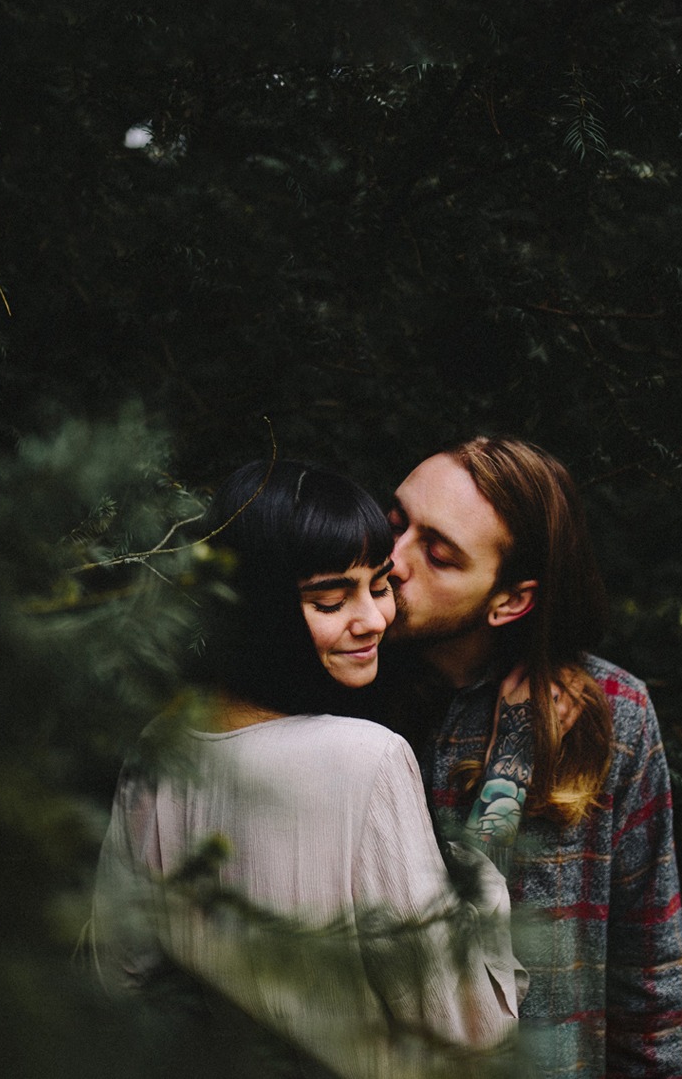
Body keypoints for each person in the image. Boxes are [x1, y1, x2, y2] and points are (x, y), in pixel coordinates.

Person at [94, 459, 525, 1079]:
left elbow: (119, 978)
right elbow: (464, 1027)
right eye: (330, 600)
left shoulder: (159, 744)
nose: (374, 620)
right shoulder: (366, 759)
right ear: (261, 611)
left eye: (380, 585)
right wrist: (477, 879)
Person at [384, 436, 682, 1079]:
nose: (392, 560)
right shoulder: (332, 694)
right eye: (393, 523)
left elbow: (649, 977)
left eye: (437, 554)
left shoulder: (611, 715)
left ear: (510, 601)